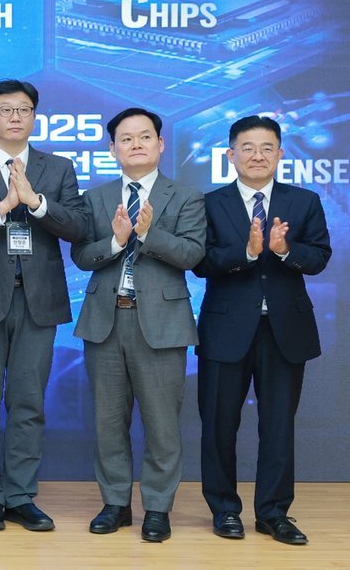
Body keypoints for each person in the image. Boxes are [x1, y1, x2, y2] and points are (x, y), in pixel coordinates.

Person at [0, 79, 88, 532]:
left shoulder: (58, 167)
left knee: (28, 403)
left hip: (38, 302)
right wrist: (4, 206)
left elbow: (78, 226)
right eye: (5, 110)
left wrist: (37, 203)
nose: (15, 117)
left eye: (24, 109)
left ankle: (21, 495)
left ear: (34, 117)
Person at [193, 115, 331, 545]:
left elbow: (319, 256)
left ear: (280, 154)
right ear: (230, 154)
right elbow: (200, 262)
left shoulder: (304, 201)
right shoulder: (209, 203)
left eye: (267, 147)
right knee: (218, 425)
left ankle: (273, 513)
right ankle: (224, 509)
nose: (257, 155)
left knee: (278, 426)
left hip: (284, 331)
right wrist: (248, 252)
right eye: (248, 148)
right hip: (225, 330)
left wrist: (284, 249)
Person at [69, 108, 205, 542]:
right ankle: (115, 503)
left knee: (162, 425)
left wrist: (147, 235)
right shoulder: (96, 198)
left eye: (145, 137)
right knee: (108, 422)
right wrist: (116, 240)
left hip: (162, 324)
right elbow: (81, 256)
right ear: (113, 149)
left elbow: (192, 255)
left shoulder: (186, 196)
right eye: (126, 139)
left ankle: (158, 508)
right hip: (105, 321)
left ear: (160, 144)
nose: (136, 145)